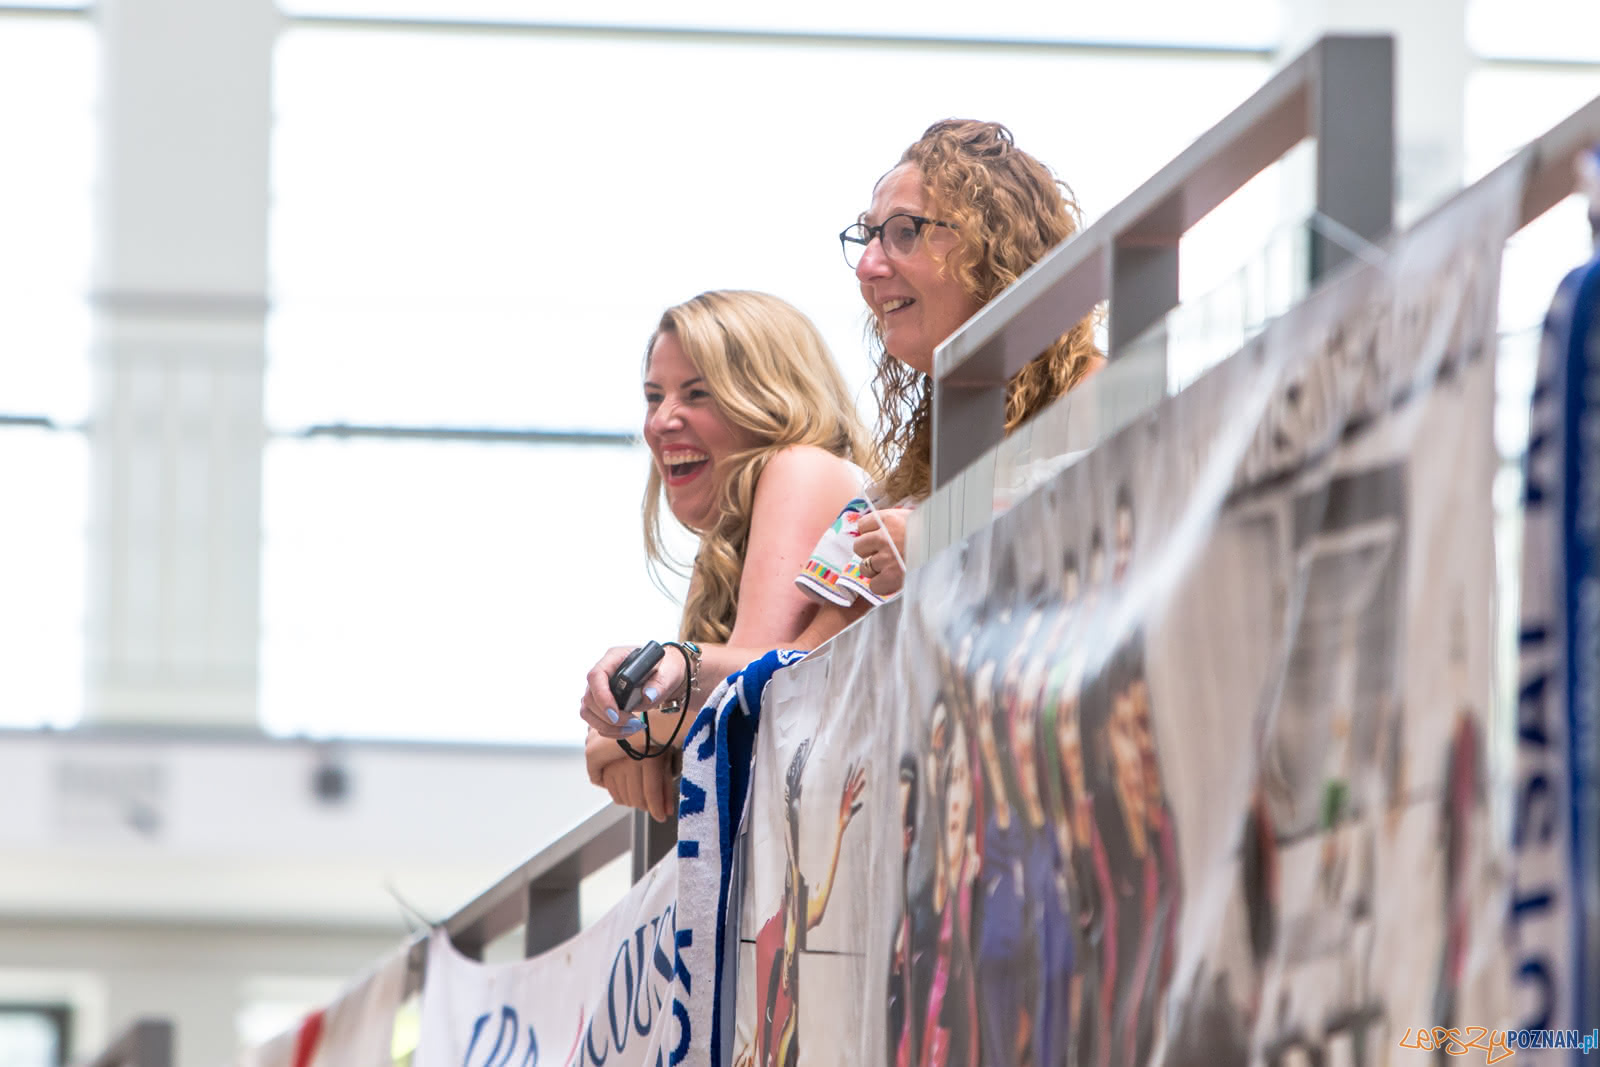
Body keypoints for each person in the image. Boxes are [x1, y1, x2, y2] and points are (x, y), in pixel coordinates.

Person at [581, 119, 1103, 815]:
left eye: (905, 232)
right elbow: (798, 668)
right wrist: (666, 686)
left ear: (993, 242)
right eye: (868, 236)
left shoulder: (1107, 391)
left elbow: (1138, 527)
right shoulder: (909, 479)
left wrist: (952, 535)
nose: (868, 267)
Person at [579, 290, 873, 819]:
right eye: (653, 397)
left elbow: (747, 692)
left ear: (769, 398)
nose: (662, 421)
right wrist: (652, 737)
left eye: (696, 394)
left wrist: (628, 736)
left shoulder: (800, 467)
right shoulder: (721, 544)